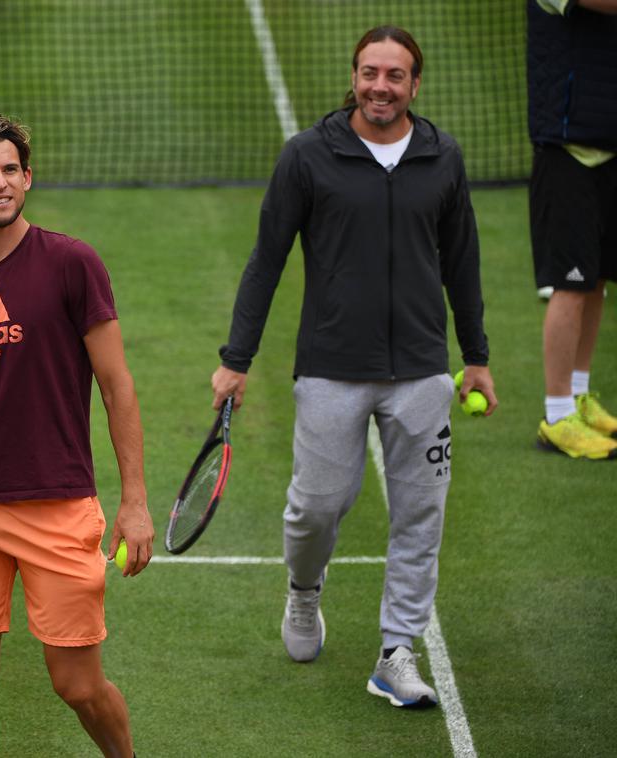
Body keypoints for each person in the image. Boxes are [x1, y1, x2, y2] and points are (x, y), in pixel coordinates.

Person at [210, 26, 497, 709]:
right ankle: (304, 593)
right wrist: (235, 360)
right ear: (354, 75)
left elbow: (462, 262)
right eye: (370, 72)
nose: (380, 86)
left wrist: (477, 356)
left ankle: (396, 649)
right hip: (332, 367)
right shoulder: (310, 156)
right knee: (316, 508)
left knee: (420, 517)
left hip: (424, 371)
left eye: (395, 75)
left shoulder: (441, 157)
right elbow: (267, 260)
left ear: (415, 85)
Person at [0, 111, 152, 757]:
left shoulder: (72, 264)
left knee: (76, 684)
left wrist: (134, 501)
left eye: (10, 170)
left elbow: (116, 383)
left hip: (58, 504)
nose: (0, 183)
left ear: (28, 178)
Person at [528, 0, 617, 460]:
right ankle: (558, 414)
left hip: (609, 145)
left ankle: (580, 395)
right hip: (567, 150)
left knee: (597, 280)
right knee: (571, 283)